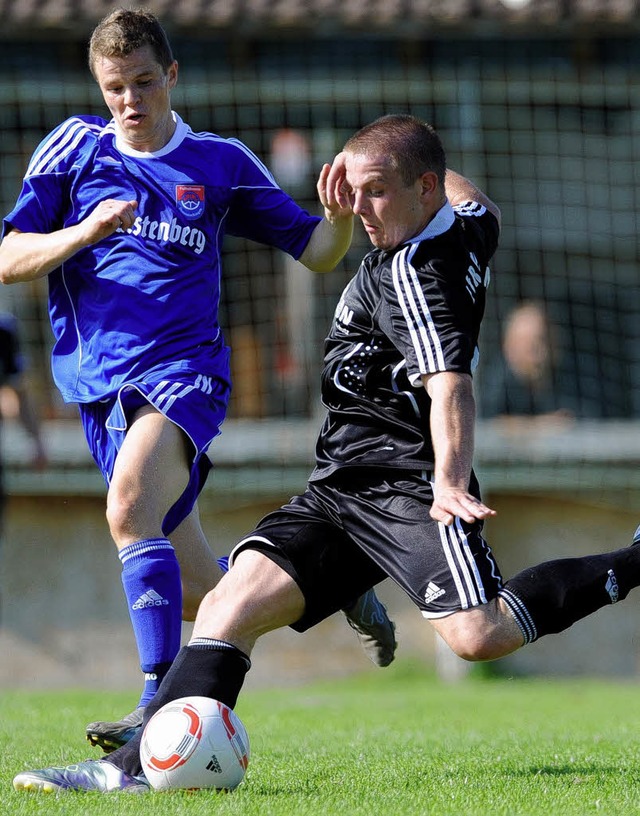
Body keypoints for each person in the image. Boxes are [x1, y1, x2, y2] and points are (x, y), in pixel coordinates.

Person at [15, 113, 640, 795]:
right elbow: (472, 195)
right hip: (339, 487)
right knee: (227, 605)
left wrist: (450, 482)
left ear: (422, 190)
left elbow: (450, 386)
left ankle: (634, 559)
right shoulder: (463, 223)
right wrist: (378, 157)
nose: (358, 210)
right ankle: (127, 773)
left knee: (478, 635)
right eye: (354, 188)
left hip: (405, 491)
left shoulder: (418, 281)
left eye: (376, 193)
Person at [0, 8, 395, 756]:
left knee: (127, 512)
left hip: (184, 376)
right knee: (199, 595)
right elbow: (8, 256)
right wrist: (83, 234)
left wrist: (339, 219)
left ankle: (156, 702)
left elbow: (314, 250)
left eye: (144, 82)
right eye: (115, 86)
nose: (130, 100)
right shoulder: (71, 151)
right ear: (99, 85)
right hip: (98, 389)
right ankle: (333, 583)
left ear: (171, 76)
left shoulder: (217, 163)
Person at [478, 300, 576, 423]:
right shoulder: (496, 381)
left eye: (548, 341)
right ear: (509, 346)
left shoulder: (571, 378)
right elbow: (491, 423)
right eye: (531, 346)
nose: (542, 353)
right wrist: (542, 424)